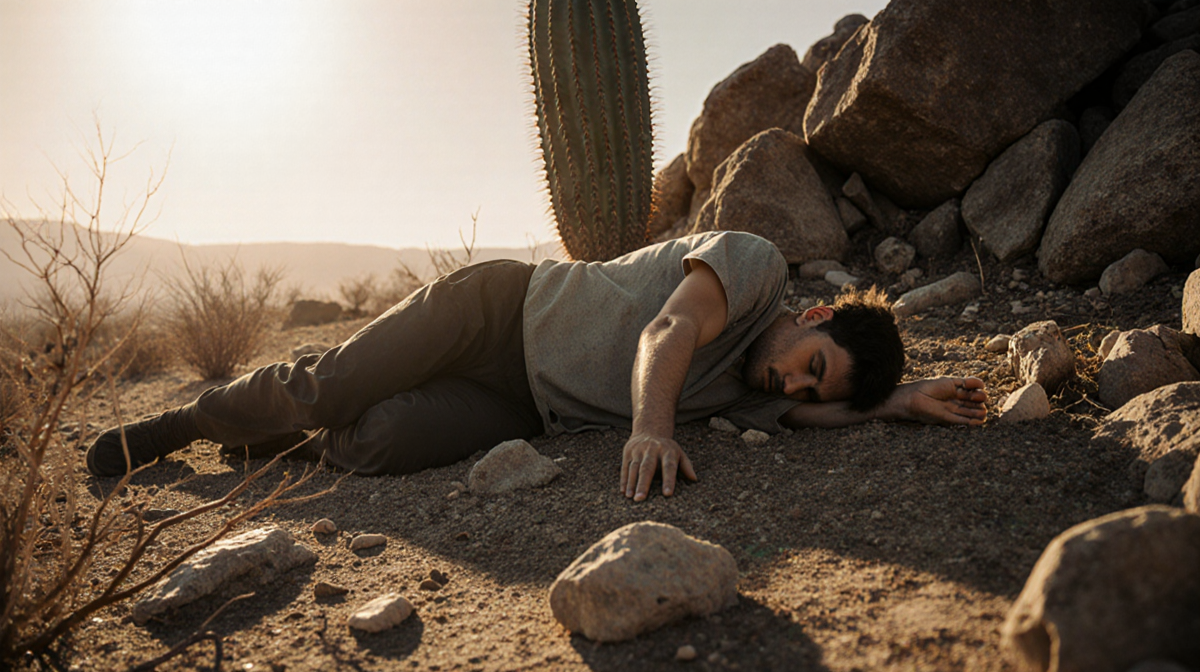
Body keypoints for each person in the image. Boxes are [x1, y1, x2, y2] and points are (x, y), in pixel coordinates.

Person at [86, 231, 987, 500]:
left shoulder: (759, 392)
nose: (788, 385)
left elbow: (809, 419)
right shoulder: (753, 272)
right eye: (810, 362)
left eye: (805, 387)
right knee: (330, 386)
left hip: (527, 405)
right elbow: (665, 333)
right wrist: (649, 426)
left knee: (383, 438)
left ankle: (279, 446)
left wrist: (895, 403)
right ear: (817, 316)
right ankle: (185, 424)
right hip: (497, 311)